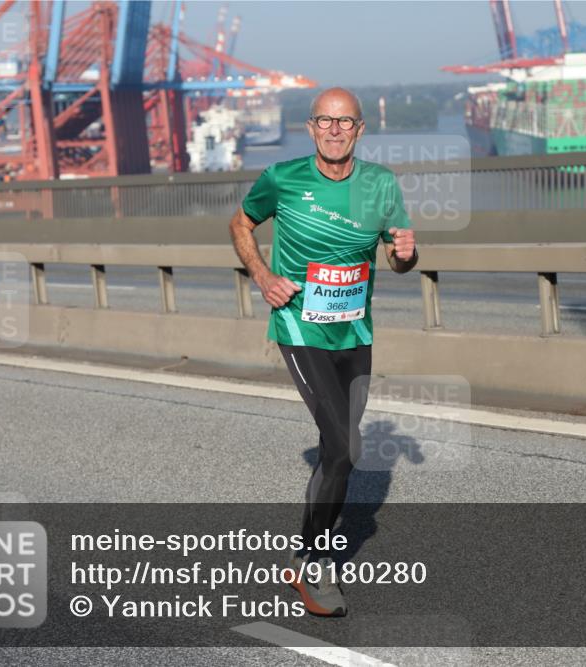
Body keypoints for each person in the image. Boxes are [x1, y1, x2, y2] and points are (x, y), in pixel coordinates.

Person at [229, 87, 417, 616]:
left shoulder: (380, 183)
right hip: (300, 326)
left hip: (355, 332)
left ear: (360, 130)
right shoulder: (283, 179)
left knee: (338, 450)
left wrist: (406, 254)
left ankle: (304, 551)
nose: (335, 130)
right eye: (324, 122)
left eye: (345, 122)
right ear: (311, 129)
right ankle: (313, 563)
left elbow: (398, 256)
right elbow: (240, 223)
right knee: (344, 446)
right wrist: (263, 276)